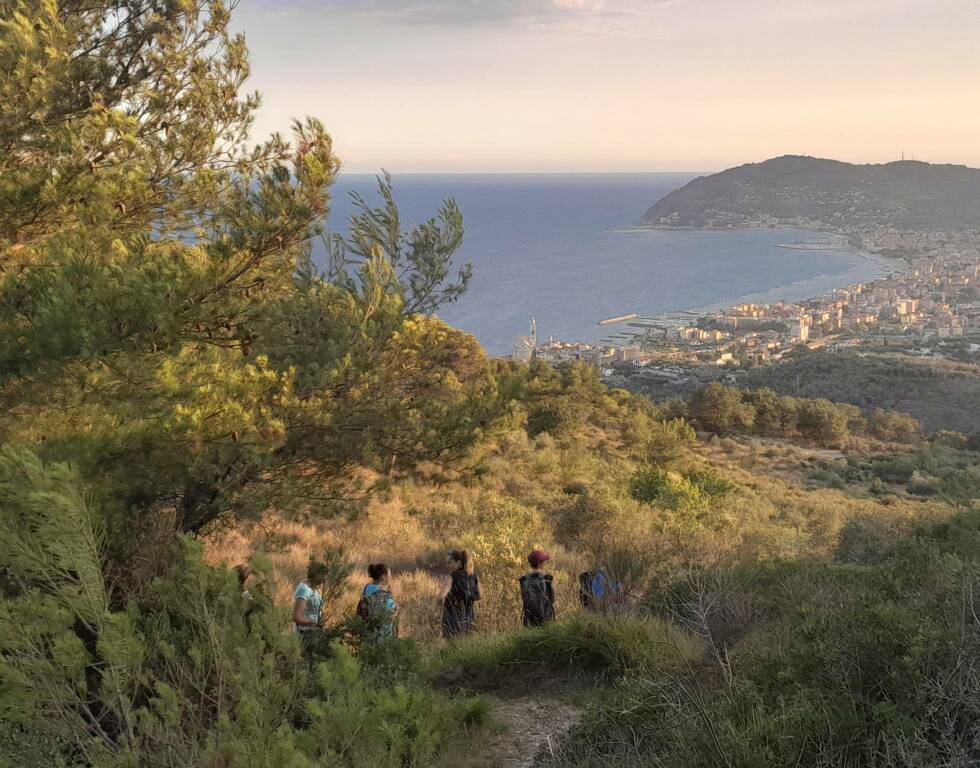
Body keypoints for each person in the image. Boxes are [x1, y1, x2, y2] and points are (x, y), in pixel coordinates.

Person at [441, 549, 481, 639]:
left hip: (452, 616)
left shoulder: (452, 577)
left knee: (451, 643)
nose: (448, 565)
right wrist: (468, 598)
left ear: (459, 562)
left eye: (450, 562)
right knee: (466, 642)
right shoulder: (474, 577)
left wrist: (443, 604)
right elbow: (480, 595)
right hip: (468, 616)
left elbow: (441, 596)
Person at [357, 563, 398, 644]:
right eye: (389, 575)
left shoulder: (366, 589)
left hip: (367, 633)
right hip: (383, 637)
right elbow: (391, 615)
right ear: (383, 577)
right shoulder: (386, 596)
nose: (390, 578)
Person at [520, 549, 556, 627]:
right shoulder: (547, 579)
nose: (545, 562)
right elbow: (552, 600)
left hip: (529, 621)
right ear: (540, 564)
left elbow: (523, 599)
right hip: (546, 620)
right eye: (544, 561)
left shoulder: (524, 580)